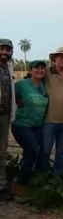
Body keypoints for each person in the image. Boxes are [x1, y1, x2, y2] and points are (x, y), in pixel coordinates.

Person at [12, 60, 49, 185]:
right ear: (30, 70)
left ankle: (34, 181)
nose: (39, 70)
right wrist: (16, 99)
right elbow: (10, 95)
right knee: (33, 150)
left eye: (42, 68)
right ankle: (20, 183)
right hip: (22, 125)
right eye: (36, 68)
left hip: (38, 126)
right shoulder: (21, 84)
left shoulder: (45, 86)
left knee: (40, 152)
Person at [0, 39, 16, 201]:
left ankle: (2, 185)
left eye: (7, 49)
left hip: (4, 116)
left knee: (2, 152)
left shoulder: (8, 68)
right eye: (2, 49)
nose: (4, 52)